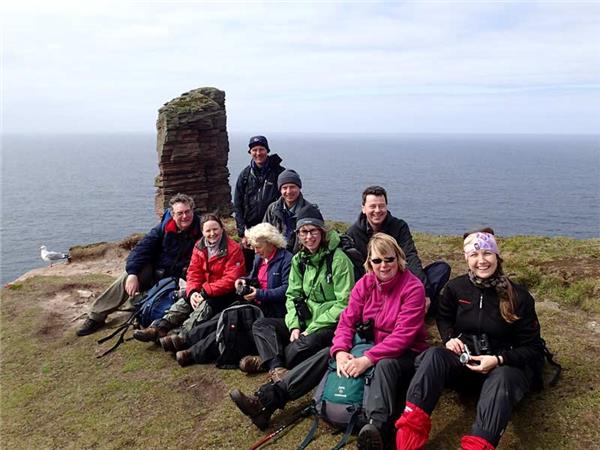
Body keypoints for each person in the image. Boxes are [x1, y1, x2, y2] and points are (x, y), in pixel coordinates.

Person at [230, 233, 429, 450]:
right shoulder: (365, 284)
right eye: (377, 260)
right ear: (369, 263)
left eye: (389, 259)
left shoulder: (412, 288)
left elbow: (404, 336)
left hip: (404, 353)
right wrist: (341, 350)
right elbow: (346, 321)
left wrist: (367, 359)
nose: (384, 265)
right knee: (328, 354)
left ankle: (376, 429)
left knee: (385, 364)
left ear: (398, 258)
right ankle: (266, 402)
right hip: (364, 345)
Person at [396, 228, 546, 450]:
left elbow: (533, 349)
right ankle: (409, 434)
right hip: (466, 363)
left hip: (502, 369)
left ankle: (479, 444)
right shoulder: (455, 288)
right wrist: (448, 338)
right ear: (466, 258)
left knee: (502, 378)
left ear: (497, 256)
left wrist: (498, 359)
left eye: (487, 253)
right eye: (474, 255)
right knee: (434, 356)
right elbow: (444, 317)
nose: (481, 261)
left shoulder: (519, 296)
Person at [240, 209, 355, 382]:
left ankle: (267, 361)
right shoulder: (299, 259)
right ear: (298, 235)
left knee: (305, 344)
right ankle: (277, 367)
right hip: (302, 320)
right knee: (262, 325)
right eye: (303, 232)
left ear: (322, 232)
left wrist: (312, 327)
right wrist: (294, 325)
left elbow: (345, 303)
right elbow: (292, 295)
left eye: (313, 231)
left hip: (328, 324)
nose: (308, 237)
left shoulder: (339, 261)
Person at [161, 223, 293, 367]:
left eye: (258, 247)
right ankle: (185, 340)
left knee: (232, 321)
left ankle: (193, 352)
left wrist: (259, 294)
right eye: (253, 247)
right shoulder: (260, 258)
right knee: (224, 315)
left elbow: (286, 289)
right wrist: (243, 280)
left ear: (270, 243)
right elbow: (253, 277)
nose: (255, 251)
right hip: (256, 302)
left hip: (273, 310)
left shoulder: (286, 260)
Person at [76, 193, 201, 336]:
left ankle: (145, 310)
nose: (185, 216)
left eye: (187, 212)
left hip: (182, 278)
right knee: (127, 277)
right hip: (158, 272)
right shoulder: (164, 228)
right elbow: (142, 248)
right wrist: (133, 273)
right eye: (180, 213)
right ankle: (96, 316)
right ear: (173, 215)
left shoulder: (202, 230)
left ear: (193, 210)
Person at [132, 214, 245, 342]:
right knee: (183, 303)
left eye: (215, 229)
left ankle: (181, 336)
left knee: (204, 308)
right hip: (203, 290)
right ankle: (159, 328)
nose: (212, 233)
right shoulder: (199, 246)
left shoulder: (233, 249)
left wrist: (205, 292)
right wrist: (192, 292)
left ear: (222, 229)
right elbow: (193, 272)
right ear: (202, 232)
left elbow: (231, 279)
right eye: (208, 230)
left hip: (224, 294)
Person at [346, 185, 451, 314]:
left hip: (401, 278)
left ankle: (414, 302)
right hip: (375, 284)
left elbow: (410, 257)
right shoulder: (353, 233)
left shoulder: (399, 226)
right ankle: (410, 307)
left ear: (386, 206)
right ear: (363, 209)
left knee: (441, 269)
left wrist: (425, 292)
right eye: (372, 206)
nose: (377, 210)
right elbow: (357, 270)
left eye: (381, 206)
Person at [233, 135, 285, 269]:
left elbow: (286, 199)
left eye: (261, 149)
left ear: (267, 150)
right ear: (250, 152)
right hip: (251, 230)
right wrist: (242, 232)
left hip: (272, 228)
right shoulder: (245, 175)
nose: (258, 153)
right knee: (251, 265)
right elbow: (237, 204)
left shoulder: (279, 173)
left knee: (271, 263)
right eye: (254, 150)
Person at [263, 169, 321, 252]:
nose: (289, 191)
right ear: (280, 190)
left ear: (299, 188)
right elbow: (264, 233)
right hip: (276, 256)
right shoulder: (272, 209)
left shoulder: (310, 211)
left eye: (292, 187)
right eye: (284, 188)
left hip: (300, 259)